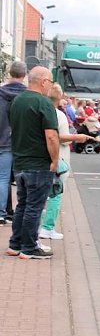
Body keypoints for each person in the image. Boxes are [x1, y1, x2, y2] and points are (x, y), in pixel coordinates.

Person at [6, 67, 59, 260]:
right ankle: (29, 247)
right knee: (34, 207)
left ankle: (15, 243)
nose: (51, 86)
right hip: (38, 163)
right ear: (44, 82)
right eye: (51, 82)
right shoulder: (43, 103)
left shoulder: (17, 101)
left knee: (23, 204)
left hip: (19, 161)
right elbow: (51, 136)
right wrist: (54, 160)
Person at [40, 84, 97, 240]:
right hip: (57, 158)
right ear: (59, 98)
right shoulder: (59, 115)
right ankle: (47, 227)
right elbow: (58, 137)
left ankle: (39, 226)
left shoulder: (39, 112)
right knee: (55, 194)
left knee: (40, 196)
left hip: (40, 158)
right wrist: (77, 137)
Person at [0, 61, 28, 225]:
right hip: (21, 143)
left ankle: (2, 213)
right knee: (23, 179)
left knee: (2, 178)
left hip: (2, 140)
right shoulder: (28, 95)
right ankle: (21, 212)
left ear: (10, 73)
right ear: (24, 75)